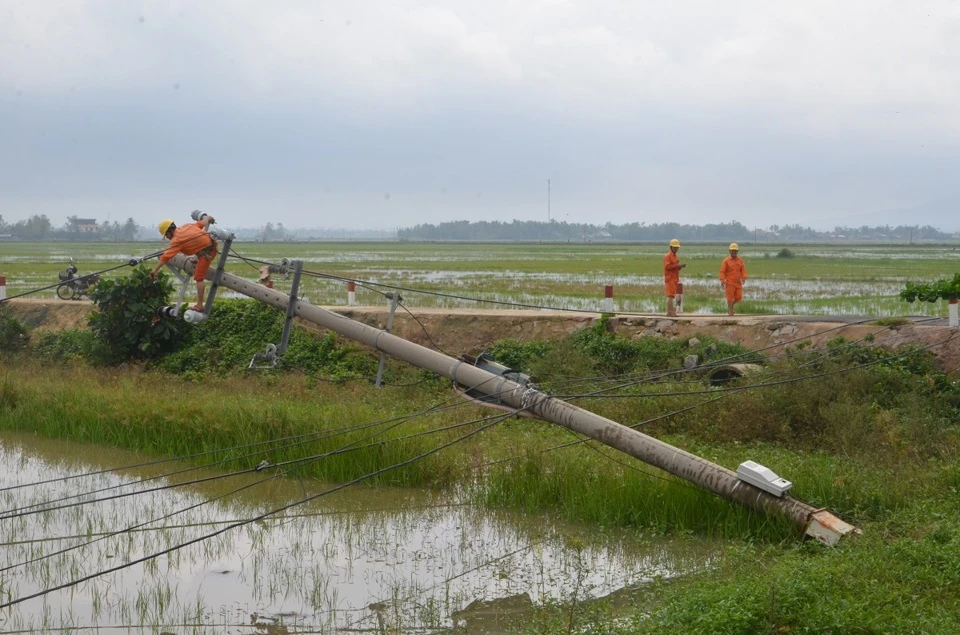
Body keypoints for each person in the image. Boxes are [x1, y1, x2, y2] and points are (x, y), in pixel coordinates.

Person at [149, 214, 218, 312]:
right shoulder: (186, 226)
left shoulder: (176, 240)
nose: (168, 238)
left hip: (208, 253)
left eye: (167, 235)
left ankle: (199, 305)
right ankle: (196, 258)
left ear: (169, 231)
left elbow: (166, 257)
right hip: (212, 244)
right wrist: (208, 218)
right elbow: (202, 223)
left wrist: (155, 270)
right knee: (195, 250)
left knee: (199, 277)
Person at [719, 242, 748, 315]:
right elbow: (722, 271)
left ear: (737, 251)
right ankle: (730, 311)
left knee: (739, 297)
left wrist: (744, 278)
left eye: (735, 251)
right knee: (729, 297)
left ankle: (731, 306)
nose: (734, 252)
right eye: (732, 250)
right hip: (729, 282)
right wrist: (722, 280)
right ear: (730, 251)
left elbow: (743, 270)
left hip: (738, 282)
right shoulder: (726, 261)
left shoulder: (740, 260)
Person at [663, 238, 686, 317]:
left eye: (677, 247)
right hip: (670, 279)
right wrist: (677, 266)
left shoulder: (675, 256)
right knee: (670, 296)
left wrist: (680, 267)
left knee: (671, 295)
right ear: (671, 247)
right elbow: (668, 267)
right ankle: (671, 312)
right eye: (674, 247)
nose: (676, 249)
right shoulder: (668, 256)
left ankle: (670, 312)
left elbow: (675, 267)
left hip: (675, 278)